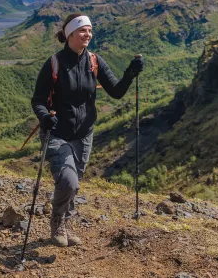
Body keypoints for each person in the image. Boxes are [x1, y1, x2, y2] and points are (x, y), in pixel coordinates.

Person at [31, 13, 144, 247]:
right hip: (57, 133)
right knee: (68, 182)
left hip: (84, 134)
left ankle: (65, 220)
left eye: (90, 30)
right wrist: (44, 117)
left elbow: (116, 91)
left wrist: (129, 74)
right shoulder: (54, 63)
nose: (88, 34)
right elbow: (38, 100)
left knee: (74, 183)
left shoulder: (94, 61)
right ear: (70, 34)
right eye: (83, 30)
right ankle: (57, 222)